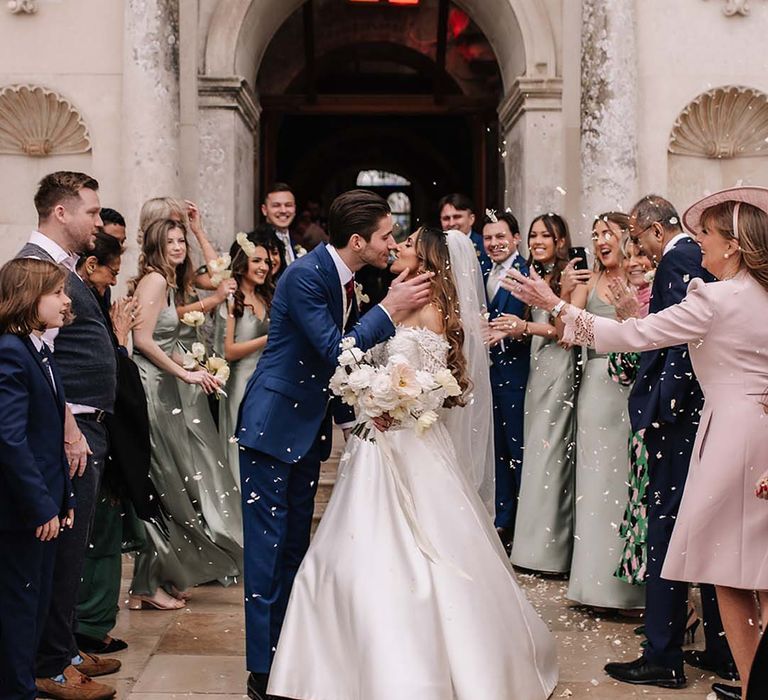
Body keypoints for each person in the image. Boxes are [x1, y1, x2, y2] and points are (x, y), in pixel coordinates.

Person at [266, 227, 559, 700]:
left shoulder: (431, 308)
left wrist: (394, 401)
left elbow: (434, 381)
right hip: (377, 441)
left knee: (424, 552)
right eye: (395, 239)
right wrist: (369, 394)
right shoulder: (397, 299)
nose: (397, 245)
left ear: (426, 259)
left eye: (407, 242)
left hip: (407, 439)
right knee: (352, 550)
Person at [504, 186, 768, 694]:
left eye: (708, 236)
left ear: (733, 246)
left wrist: (555, 304)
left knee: (727, 569)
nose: (699, 246)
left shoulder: (713, 299)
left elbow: (635, 336)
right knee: (761, 565)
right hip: (763, 434)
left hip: (730, 438)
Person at [237, 189, 434, 700]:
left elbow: (333, 367)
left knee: (295, 549)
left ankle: (290, 655)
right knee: (267, 552)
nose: (392, 244)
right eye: (386, 236)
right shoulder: (306, 276)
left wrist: (360, 419)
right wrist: (389, 310)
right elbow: (334, 349)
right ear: (356, 241)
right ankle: (262, 671)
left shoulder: (348, 280)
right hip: (273, 427)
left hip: (307, 432)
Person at [17, 171, 121, 699]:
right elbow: (42, 357)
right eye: (93, 212)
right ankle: (50, 665)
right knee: (62, 548)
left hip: (84, 423)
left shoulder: (59, 267)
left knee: (75, 548)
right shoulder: (35, 270)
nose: (99, 222)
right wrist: (69, 430)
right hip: (70, 429)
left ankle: (62, 648)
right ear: (62, 212)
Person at [129, 218, 242, 611]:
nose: (178, 246)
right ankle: (145, 583)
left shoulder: (170, 281)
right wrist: (183, 372)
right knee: (162, 480)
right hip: (150, 388)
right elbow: (141, 341)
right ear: (156, 246)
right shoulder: (155, 281)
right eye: (170, 241)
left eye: (181, 240)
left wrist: (193, 372)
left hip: (167, 386)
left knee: (175, 481)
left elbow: (167, 340)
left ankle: (162, 573)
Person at [74, 231, 156, 655]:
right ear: (91, 266)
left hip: (107, 431)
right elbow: (106, 367)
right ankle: (88, 626)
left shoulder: (95, 298)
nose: (113, 280)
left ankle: (93, 623)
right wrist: (120, 337)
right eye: (110, 271)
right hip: (93, 431)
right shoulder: (80, 302)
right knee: (98, 537)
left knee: (105, 533)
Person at [0, 259, 75, 700]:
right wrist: (40, 504)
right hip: (22, 511)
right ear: (30, 298)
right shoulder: (10, 350)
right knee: (19, 608)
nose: (66, 301)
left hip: (46, 501)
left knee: (35, 604)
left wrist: (63, 497)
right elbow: (10, 439)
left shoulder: (36, 348)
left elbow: (48, 439)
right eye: (58, 293)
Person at [564, 212, 645, 612]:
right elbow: (567, 330)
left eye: (607, 233)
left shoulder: (637, 278)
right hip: (596, 385)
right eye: (595, 234)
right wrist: (565, 297)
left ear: (625, 237)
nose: (599, 240)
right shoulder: (591, 281)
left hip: (630, 389)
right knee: (593, 484)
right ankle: (591, 586)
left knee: (622, 483)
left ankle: (627, 590)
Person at [506, 213, 578, 575]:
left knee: (551, 452)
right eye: (533, 234)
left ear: (560, 241)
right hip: (537, 367)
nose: (537, 240)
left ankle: (551, 552)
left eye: (545, 235)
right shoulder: (535, 274)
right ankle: (532, 546)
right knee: (537, 451)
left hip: (559, 365)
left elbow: (563, 331)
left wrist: (525, 326)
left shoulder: (567, 276)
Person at [606, 233, 654, 587]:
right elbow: (620, 369)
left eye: (641, 255)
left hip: (658, 416)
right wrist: (625, 320)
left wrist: (633, 320)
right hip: (638, 415)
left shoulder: (662, 303)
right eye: (628, 257)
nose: (634, 262)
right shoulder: (630, 303)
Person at [481, 210, 530, 549]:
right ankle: (502, 518)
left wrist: (511, 332)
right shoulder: (484, 273)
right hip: (491, 375)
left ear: (515, 239)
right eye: (488, 238)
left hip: (517, 373)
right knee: (496, 449)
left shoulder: (527, 274)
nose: (495, 243)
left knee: (519, 448)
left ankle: (523, 526)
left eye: (501, 237)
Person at [215, 232, 273, 485]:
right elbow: (228, 350)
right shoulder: (231, 299)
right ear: (242, 262)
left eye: (267, 262)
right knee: (238, 443)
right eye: (257, 261)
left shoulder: (265, 297)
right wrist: (267, 340)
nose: (263, 267)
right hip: (240, 382)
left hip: (265, 382)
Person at [439, 192, 491, 274]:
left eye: (457, 217)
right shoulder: (436, 248)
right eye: (446, 218)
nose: (451, 223)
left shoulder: (485, 246)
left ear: (471, 219)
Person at [261, 183, 299, 264]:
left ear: (295, 209)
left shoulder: (299, 243)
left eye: (288, 205)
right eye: (276, 205)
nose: (283, 210)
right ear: (264, 210)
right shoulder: (253, 243)